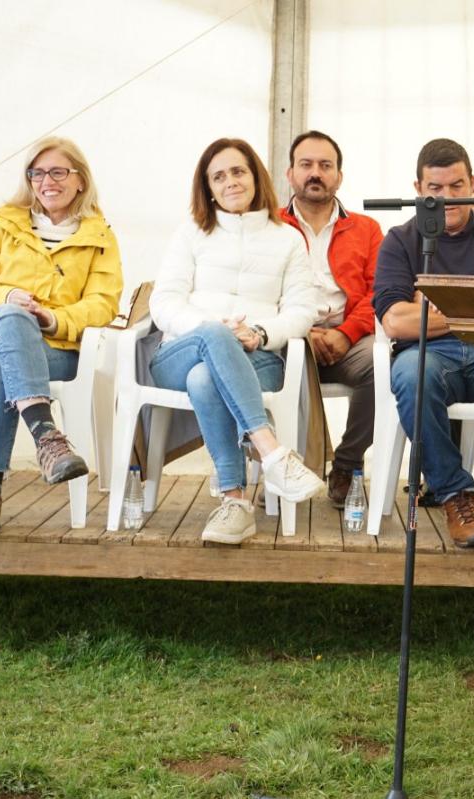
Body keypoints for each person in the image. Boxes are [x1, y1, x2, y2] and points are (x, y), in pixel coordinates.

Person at [150, 137, 325, 545]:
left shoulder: (287, 239)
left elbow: (301, 311)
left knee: (205, 379)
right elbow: (164, 302)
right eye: (218, 176)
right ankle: (273, 454)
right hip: (181, 350)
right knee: (212, 335)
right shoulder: (191, 233)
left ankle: (235, 502)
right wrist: (213, 328)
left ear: (255, 176)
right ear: (207, 187)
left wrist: (261, 333)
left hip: (255, 357)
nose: (230, 181)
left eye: (238, 171)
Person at [0, 137, 122, 535]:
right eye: (38, 173)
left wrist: (50, 318)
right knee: (9, 319)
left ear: (80, 179)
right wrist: (6, 298)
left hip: (52, 348)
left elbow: (102, 304)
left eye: (58, 172)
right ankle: (47, 435)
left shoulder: (100, 236)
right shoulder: (2, 221)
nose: (47, 181)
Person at [372, 139, 474, 548]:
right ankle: (453, 494)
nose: (447, 197)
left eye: (457, 186)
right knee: (410, 376)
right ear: (418, 189)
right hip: (428, 356)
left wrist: (429, 307)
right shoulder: (400, 240)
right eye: (435, 189)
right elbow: (394, 322)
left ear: (473, 182)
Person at [281, 130, 384, 507]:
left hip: (350, 341)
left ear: (339, 176)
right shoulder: (271, 226)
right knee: (254, 364)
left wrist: (346, 332)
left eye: (326, 165)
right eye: (306, 164)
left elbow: (381, 293)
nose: (315, 173)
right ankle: (279, 467)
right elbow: (260, 293)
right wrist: (300, 331)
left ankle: (347, 463)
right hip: (288, 340)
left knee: (385, 363)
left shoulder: (367, 229)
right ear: (289, 173)